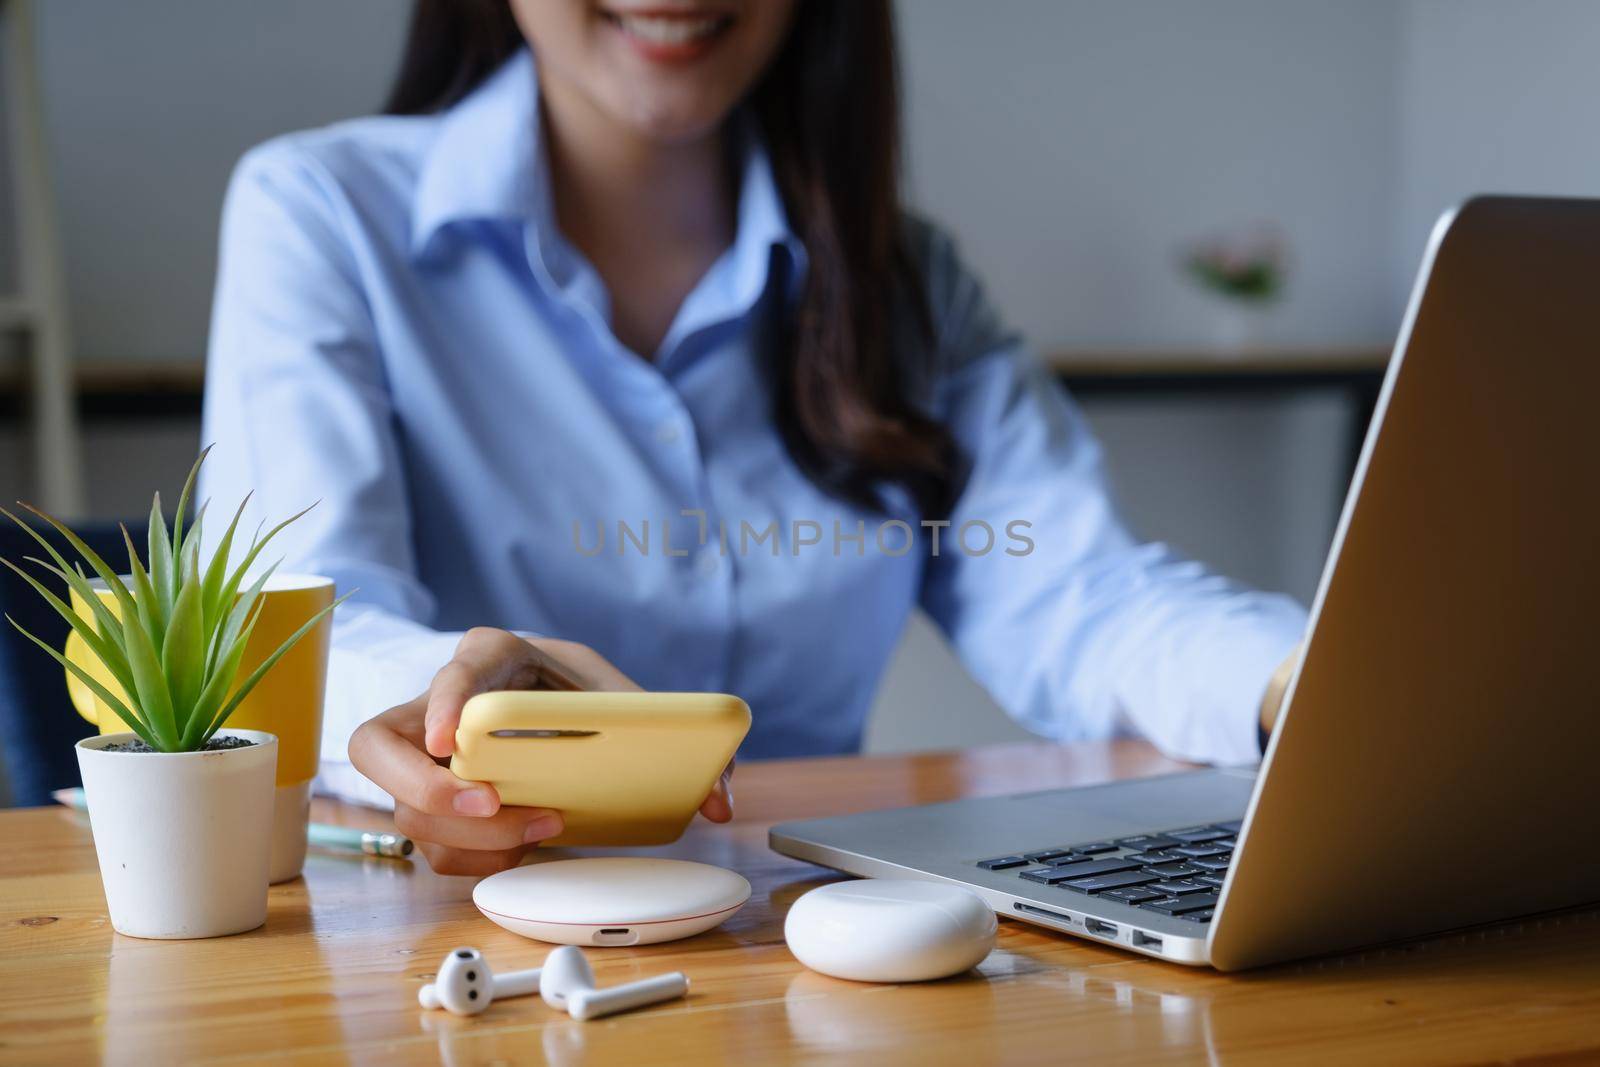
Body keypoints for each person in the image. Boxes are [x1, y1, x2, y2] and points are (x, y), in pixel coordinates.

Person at [200, 0, 1306, 876]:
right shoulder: (320, 214)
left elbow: (1081, 595)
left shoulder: (902, 280)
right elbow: (298, 621)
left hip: (810, 919)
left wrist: (1304, 677)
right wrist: (453, 703)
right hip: (463, 933)